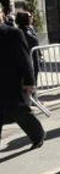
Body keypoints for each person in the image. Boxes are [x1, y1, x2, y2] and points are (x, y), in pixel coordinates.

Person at [0, 10, 45, 149]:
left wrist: (29, 81)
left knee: (20, 112)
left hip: (12, 81)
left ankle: (37, 135)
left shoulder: (13, 33)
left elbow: (25, 59)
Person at [15, 11, 40, 79]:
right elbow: (33, 40)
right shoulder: (20, 31)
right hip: (27, 56)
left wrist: (40, 54)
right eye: (29, 16)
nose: (32, 18)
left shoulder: (31, 28)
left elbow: (36, 41)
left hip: (35, 54)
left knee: (36, 71)